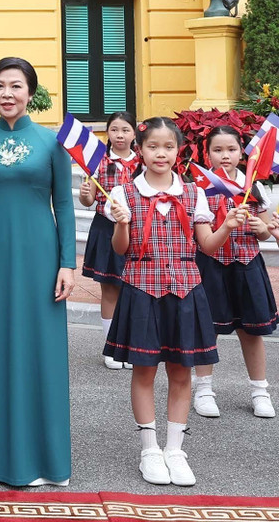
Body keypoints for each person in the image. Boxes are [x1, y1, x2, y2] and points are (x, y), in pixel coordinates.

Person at [105, 117, 244, 487]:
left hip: (186, 290)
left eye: (168, 146)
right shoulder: (124, 193)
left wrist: (226, 225)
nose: (161, 153)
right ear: (141, 149)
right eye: (153, 146)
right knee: (144, 370)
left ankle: (175, 449)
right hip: (140, 288)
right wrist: (121, 223)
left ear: (178, 150)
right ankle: (149, 449)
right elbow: (121, 250)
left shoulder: (193, 193)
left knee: (182, 371)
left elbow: (207, 246)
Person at [0, 57, 75, 487]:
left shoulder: (51, 143)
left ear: (31, 93)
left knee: (40, 352)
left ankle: (44, 460)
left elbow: (63, 205)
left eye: (16, 86)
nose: (6, 94)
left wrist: (67, 263)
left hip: (40, 257)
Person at [193, 126, 276, 419]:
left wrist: (262, 229)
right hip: (211, 267)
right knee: (208, 328)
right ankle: (203, 389)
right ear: (208, 153)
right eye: (217, 150)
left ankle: (260, 391)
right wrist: (225, 226)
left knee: (251, 331)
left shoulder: (253, 185)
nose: (224, 156)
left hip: (248, 265)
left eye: (231, 149)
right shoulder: (200, 187)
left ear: (242, 152)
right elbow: (201, 237)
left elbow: (266, 231)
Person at [78, 111, 138, 370]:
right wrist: (84, 194)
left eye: (125, 130)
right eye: (114, 130)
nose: (120, 135)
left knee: (137, 290)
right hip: (105, 228)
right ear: (108, 133)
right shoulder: (96, 163)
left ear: (134, 133)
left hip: (138, 230)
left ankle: (134, 345)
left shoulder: (144, 162)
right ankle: (111, 347)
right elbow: (88, 201)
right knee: (111, 288)